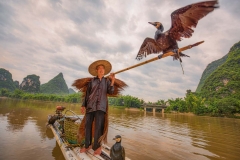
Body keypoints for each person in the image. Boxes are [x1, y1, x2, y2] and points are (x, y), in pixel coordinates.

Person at [80, 60, 115, 155]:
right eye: (99, 68)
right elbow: (87, 94)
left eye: (102, 68)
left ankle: (97, 147)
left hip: (101, 107)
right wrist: (84, 105)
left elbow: (111, 92)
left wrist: (112, 81)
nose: (101, 70)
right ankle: (87, 145)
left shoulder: (107, 81)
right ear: (96, 70)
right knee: (87, 126)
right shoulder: (91, 81)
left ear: (104, 71)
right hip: (90, 106)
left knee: (98, 127)